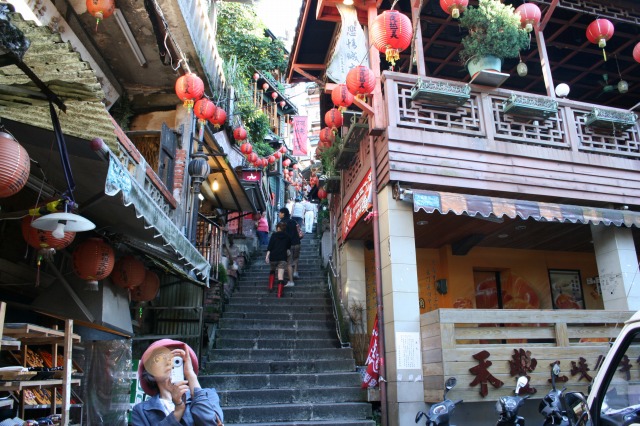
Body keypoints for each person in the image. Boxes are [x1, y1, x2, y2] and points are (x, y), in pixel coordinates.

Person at [132, 339, 223, 425]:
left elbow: (211, 423)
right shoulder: (140, 411)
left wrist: (190, 375)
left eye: (176, 358)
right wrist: (178, 410)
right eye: (160, 358)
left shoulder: (208, 395)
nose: (169, 362)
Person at [265, 221, 291, 297]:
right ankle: (279, 294)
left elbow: (270, 247)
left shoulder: (274, 235)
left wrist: (267, 256)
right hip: (282, 258)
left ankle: (270, 287)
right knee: (280, 276)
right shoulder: (287, 236)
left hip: (273, 257)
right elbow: (288, 247)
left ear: (278, 228)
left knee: (272, 270)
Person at [278, 207, 301, 285]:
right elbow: (298, 231)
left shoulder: (281, 223)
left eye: (280, 213)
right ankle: (295, 272)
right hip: (297, 243)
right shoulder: (293, 221)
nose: (279, 214)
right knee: (296, 258)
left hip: (288, 245)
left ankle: (291, 281)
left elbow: (280, 236)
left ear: (283, 214)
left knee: (289, 263)